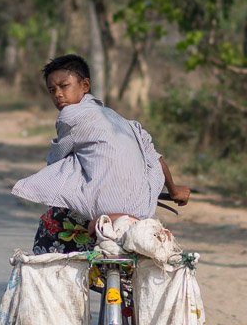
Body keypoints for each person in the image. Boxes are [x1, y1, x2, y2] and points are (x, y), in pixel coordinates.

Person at [12, 54, 191, 255]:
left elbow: (55, 162)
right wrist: (174, 190)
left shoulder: (70, 115)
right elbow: (156, 158)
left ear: (85, 85)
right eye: (52, 90)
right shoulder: (125, 123)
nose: (58, 95)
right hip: (143, 211)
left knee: (51, 224)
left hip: (104, 209)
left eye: (64, 86)